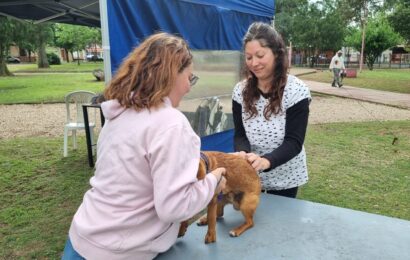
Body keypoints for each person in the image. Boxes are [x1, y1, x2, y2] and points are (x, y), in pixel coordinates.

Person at [62, 32, 226, 260]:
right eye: (189, 77)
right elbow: (175, 207)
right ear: (171, 75)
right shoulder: (171, 124)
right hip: (120, 252)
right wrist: (213, 180)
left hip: (81, 238)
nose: (189, 87)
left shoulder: (118, 114)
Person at [232, 22, 311, 199]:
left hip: (286, 177)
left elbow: (294, 142)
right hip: (251, 173)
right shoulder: (239, 91)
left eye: (260, 55)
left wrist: (266, 161)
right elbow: (240, 134)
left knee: (280, 221)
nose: (254, 63)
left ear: (276, 53)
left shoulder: (297, 91)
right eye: (249, 57)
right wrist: (244, 154)